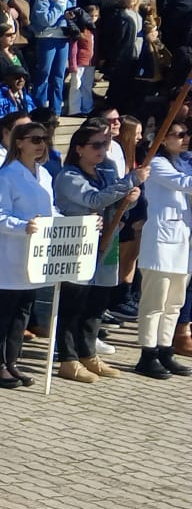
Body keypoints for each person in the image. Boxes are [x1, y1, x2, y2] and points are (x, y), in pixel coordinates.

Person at [54, 120, 144, 381]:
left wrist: (128, 200)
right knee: (74, 304)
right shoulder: (68, 176)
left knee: (97, 303)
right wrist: (130, 181)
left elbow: (115, 207)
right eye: (96, 145)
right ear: (79, 148)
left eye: (105, 145)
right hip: (78, 245)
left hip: (108, 243)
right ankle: (68, 358)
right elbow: (93, 200)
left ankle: (88, 352)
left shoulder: (106, 171)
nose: (102, 150)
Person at [0, 121, 58, 388]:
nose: (40, 144)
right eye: (35, 139)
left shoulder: (44, 174)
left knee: (24, 310)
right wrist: (22, 226)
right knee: (6, 310)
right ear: (19, 142)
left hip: (36, 254)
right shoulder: (6, 176)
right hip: (14, 250)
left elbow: (51, 211)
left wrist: (77, 222)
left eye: (44, 139)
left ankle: (11, 360)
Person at [135, 120, 192, 378]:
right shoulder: (156, 163)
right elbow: (182, 183)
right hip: (160, 242)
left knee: (174, 303)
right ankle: (148, 353)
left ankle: (165, 349)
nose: (184, 138)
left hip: (183, 243)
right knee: (155, 302)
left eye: (185, 134)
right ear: (163, 138)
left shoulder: (184, 162)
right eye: (178, 135)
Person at [28, 0, 73, 113]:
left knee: (59, 75)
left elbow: (71, 17)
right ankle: (39, 108)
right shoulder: (42, 1)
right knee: (44, 72)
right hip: (46, 38)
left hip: (62, 38)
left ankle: (55, 110)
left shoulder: (66, 0)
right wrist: (58, 6)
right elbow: (47, 20)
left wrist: (68, 16)